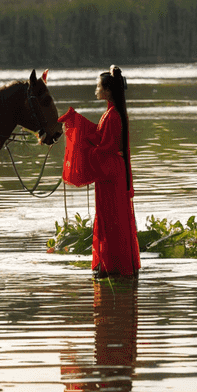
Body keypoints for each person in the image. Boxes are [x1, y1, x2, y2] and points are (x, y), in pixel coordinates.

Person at [58, 65, 140, 278]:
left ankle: (115, 266)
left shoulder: (113, 116)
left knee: (113, 220)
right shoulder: (110, 114)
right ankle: (110, 264)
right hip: (110, 174)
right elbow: (97, 136)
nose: (96, 89)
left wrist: (84, 148)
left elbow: (105, 148)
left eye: (98, 86)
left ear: (108, 91)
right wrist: (75, 123)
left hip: (111, 175)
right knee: (108, 218)